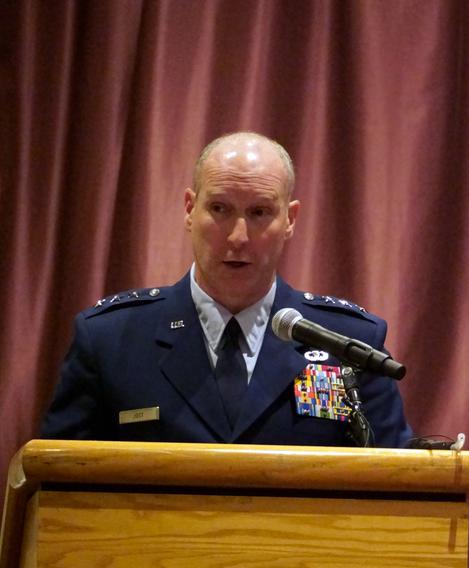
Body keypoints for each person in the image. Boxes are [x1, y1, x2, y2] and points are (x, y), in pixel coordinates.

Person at [41, 132, 412, 448]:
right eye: (219, 208)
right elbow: (56, 489)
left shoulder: (350, 343)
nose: (238, 237)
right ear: (189, 209)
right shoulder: (109, 340)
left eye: (259, 213)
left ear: (290, 220)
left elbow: (398, 485)